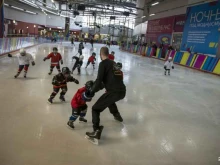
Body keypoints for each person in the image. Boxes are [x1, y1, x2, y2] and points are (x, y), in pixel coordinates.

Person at [85, 47, 126, 145]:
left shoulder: (103, 64)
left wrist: (91, 92)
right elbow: (108, 81)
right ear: (108, 53)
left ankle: (96, 132)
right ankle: (117, 116)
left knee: (95, 109)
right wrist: (97, 88)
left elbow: (99, 81)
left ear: (100, 54)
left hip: (113, 92)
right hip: (122, 91)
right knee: (108, 100)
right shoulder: (114, 63)